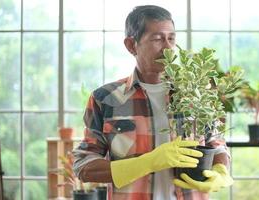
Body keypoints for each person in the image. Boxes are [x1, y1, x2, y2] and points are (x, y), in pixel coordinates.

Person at [72, 5, 233, 200]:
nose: (167, 47)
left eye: (171, 38)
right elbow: (84, 165)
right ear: (131, 45)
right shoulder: (105, 99)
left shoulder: (195, 95)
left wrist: (220, 169)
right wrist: (147, 162)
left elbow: (216, 145)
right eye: (157, 39)